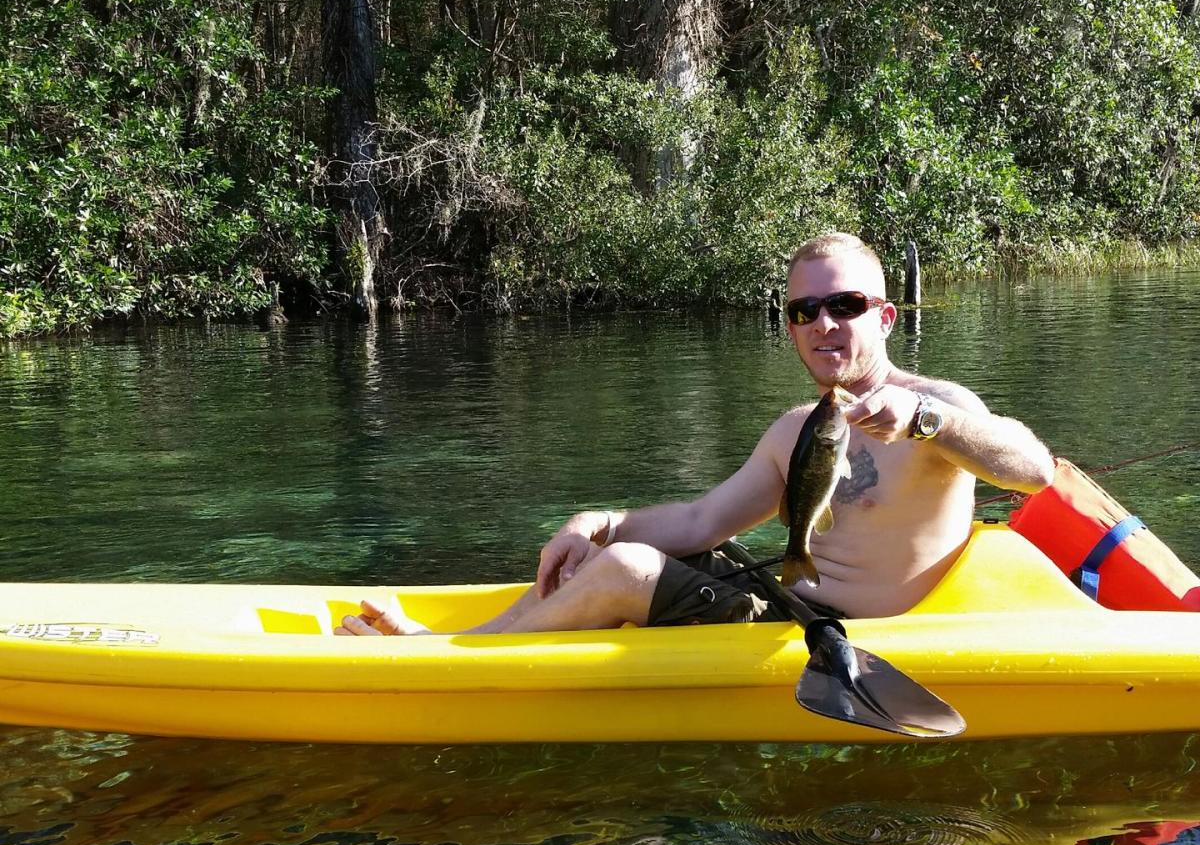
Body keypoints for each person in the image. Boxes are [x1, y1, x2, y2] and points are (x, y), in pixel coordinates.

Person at [336, 232, 1054, 637]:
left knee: (627, 571)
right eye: (805, 309)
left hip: (842, 635)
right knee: (605, 552)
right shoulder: (795, 430)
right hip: (784, 603)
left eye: (845, 304)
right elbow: (701, 520)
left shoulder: (940, 407)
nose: (823, 323)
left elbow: (1031, 469)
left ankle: (452, 657)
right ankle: (477, 638)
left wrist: (929, 422)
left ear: (885, 317)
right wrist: (601, 521)